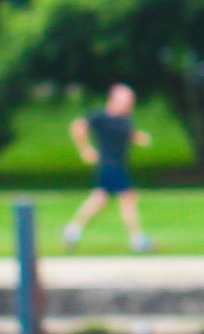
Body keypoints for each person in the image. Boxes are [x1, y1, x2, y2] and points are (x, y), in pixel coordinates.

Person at [61, 84, 155, 253]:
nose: (129, 103)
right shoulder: (102, 117)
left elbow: (128, 135)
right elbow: (78, 127)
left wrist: (139, 138)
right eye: (126, 99)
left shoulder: (125, 119)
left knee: (99, 201)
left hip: (119, 165)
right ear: (114, 99)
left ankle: (72, 230)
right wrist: (86, 149)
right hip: (109, 165)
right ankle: (137, 239)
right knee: (128, 198)